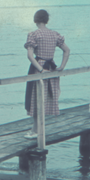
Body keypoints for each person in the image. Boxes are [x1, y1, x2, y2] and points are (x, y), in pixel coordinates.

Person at [23, 10, 71, 139]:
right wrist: (61, 67)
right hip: (51, 68)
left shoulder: (34, 34)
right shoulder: (54, 34)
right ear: (46, 20)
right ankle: (37, 128)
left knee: (35, 99)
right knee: (44, 99)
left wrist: (39, 69)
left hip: (39, 68)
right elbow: (67, 50)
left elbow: (30, 56)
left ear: (36, 20)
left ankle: (35, 130)